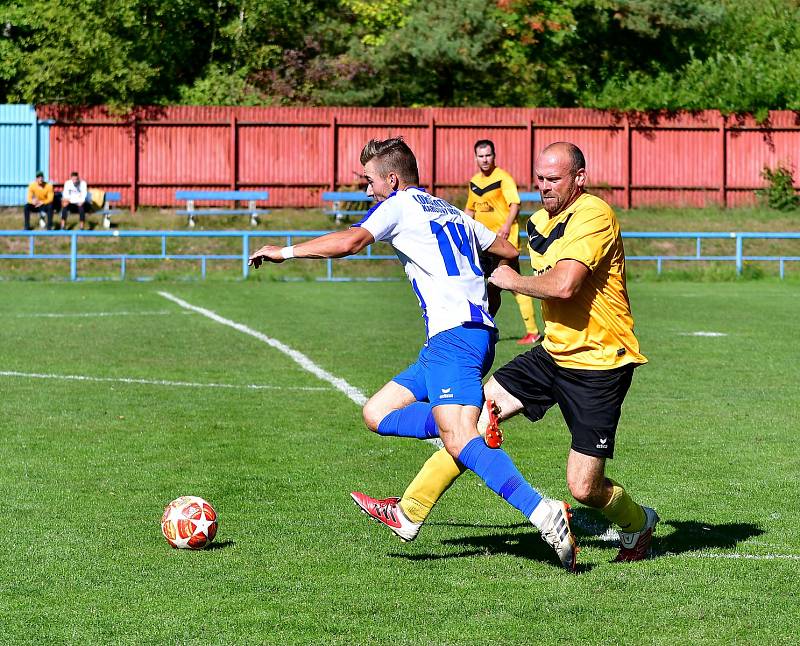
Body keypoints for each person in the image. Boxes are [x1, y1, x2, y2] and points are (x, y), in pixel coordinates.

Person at [249, 137, 578, 571]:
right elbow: (507, 250)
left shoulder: (400, 204)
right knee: (377, 413)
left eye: (370, 182)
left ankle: (541, 511)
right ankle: (465, 420)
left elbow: (350, 242)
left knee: (460, 439)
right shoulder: (449, 209)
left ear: (392, 178)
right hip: (455, 340)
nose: (368, 193)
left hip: (455, 341)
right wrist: (488, 299)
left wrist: (284, 252)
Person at [354, 142, 659, 563]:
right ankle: (409, 511)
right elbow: (500, 270)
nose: (544, 187)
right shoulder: (536, 222)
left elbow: (565, 284)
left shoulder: (594, 215)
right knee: (471, 420)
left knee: (584, 488)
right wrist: (487, 296)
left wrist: (511, 281)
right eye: (540, 179)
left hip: (599, 365)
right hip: (552, 354)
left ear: (580, 179)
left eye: (554, 179)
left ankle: (638, 523)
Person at [465, 140, 541, 345]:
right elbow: (470, 210)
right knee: (487, 285)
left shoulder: (503, 178)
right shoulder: (474, 182)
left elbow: (514, 204)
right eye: (481, 156)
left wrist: (506, 226)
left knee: (509, 284)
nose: (485, 159)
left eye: (488, 155)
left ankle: (530, 331)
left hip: (504, 242)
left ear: (494, 155)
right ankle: (487, 328)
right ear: (475, 158)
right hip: (484, 243)